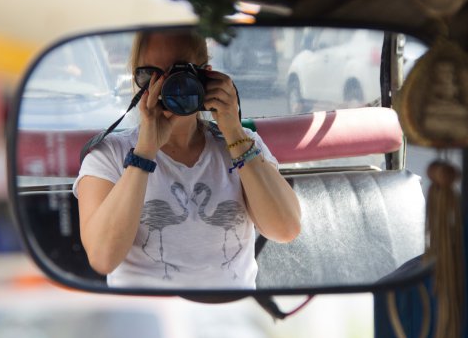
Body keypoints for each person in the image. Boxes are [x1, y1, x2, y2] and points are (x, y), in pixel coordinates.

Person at [73, 29, 301, 289]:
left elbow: (285, 230)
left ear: (207, 77)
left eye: (179, 72)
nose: (165, 86)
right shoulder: (109, 155)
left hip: (229, 319)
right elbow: (103, 259)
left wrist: (233, 130)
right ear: (138, 82)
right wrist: (144, 152)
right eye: (151, 75)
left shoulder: (241, 144)